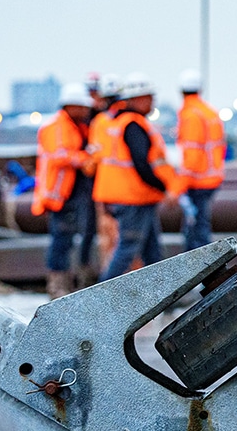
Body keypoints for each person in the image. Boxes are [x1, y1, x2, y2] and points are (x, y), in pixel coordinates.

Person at [94, 73, 180, 281]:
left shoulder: (123, 122)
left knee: (152, 251)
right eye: (149, 97)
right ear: (137, 98)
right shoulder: (133, 125)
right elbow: (141, 164)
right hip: (133, 197)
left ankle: (160, 289)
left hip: (136, 197)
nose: (152, 102)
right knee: (127, 248)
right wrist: (163, 188)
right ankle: (101, 293)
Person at [33, 82, 96, 298]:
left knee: (69, 239)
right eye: (83, 107)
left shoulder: (75, 126)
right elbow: (60, 155)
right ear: (71, 106)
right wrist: (86, 158)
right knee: (61, 239)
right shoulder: (56, 127)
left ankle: (69, 283)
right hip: (59, 195)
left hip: (72, 193)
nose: (86, 110)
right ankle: (57, 286)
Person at [175, 69, 226, 251]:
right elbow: (221, 147)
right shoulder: (210, 112)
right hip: (212, 179)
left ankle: (202, 265)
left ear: (181, 91)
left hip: (197, 182)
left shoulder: (191, 115)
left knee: (196, 232)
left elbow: (192, 155)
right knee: (199, 226)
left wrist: (178, 186)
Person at [88, 74, 124, 274]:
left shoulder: (100, 122)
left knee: (109, 240)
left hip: (105, 190)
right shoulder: (130, 120)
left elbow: (92, 161)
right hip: (128, 191)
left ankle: (109, 279)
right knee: (127, 239)